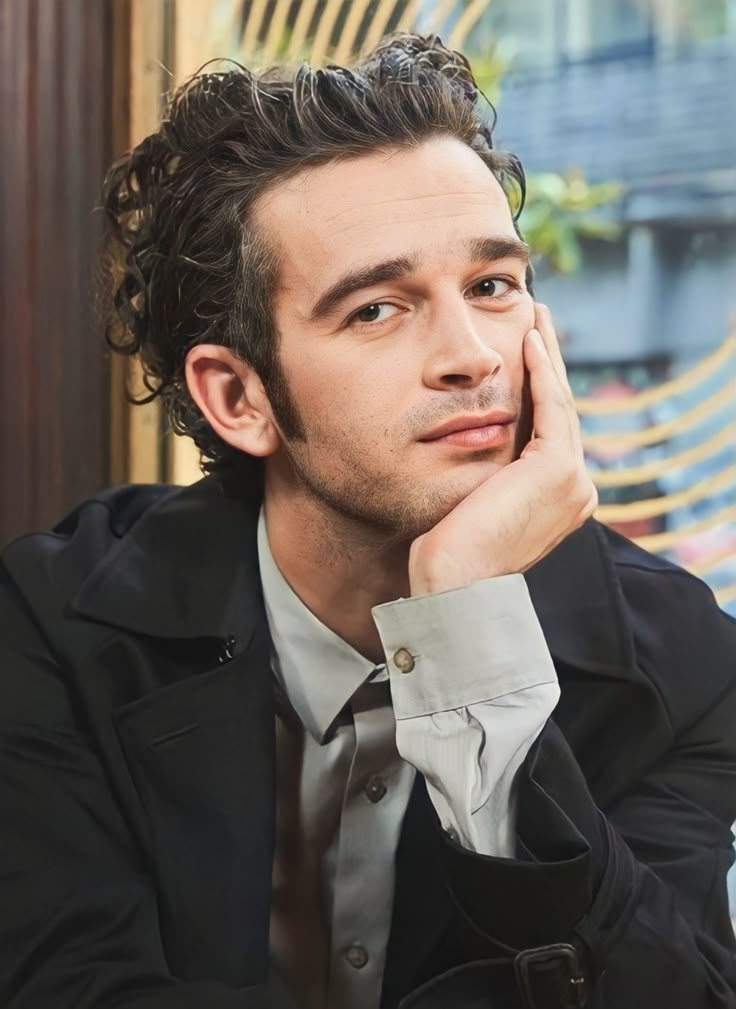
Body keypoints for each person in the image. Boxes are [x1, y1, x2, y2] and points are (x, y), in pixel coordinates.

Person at [1, 32, 735, 1009]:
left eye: (492, 286)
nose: (473, 355)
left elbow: (672, 992)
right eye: (378, 310)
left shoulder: (682, 659)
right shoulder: (51, 621)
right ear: (237, 397)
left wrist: (468, 633)